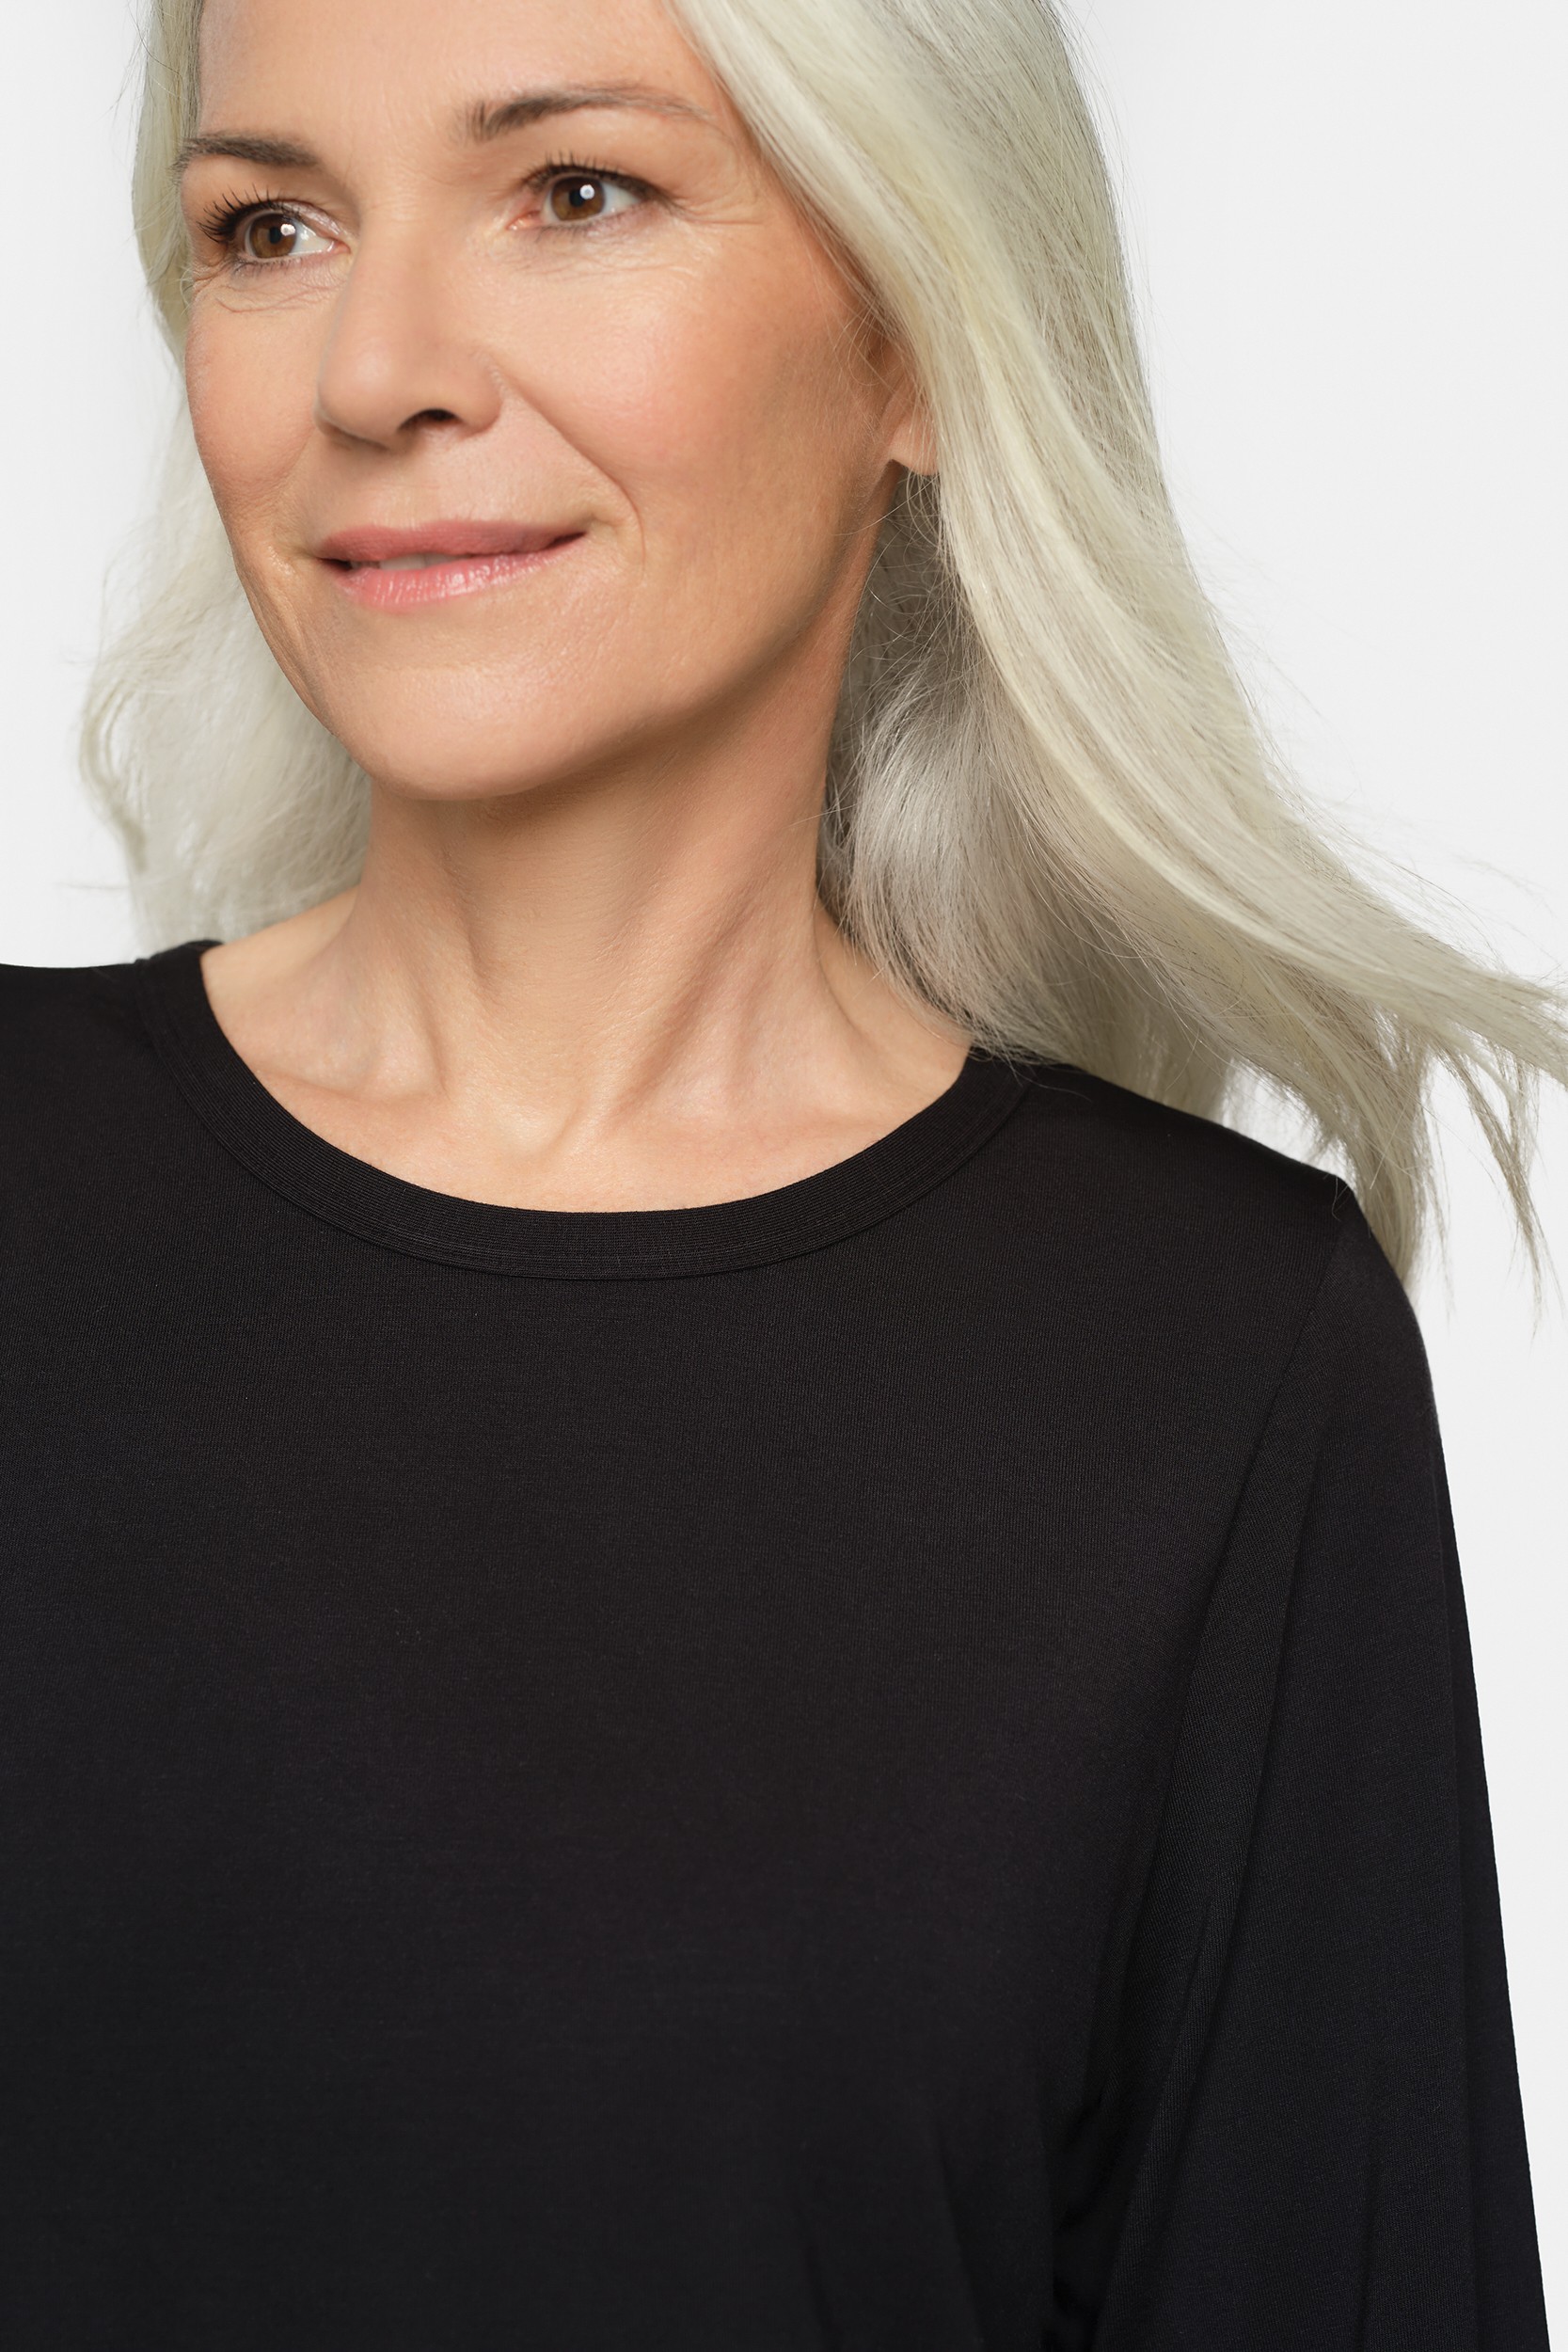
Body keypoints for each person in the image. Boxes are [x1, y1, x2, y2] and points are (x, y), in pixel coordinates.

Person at [0, 0, 1558, 2342]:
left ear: (917, 338)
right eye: (272, 228)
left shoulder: (1212, 1359)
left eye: (577, 193)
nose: (375, 369)